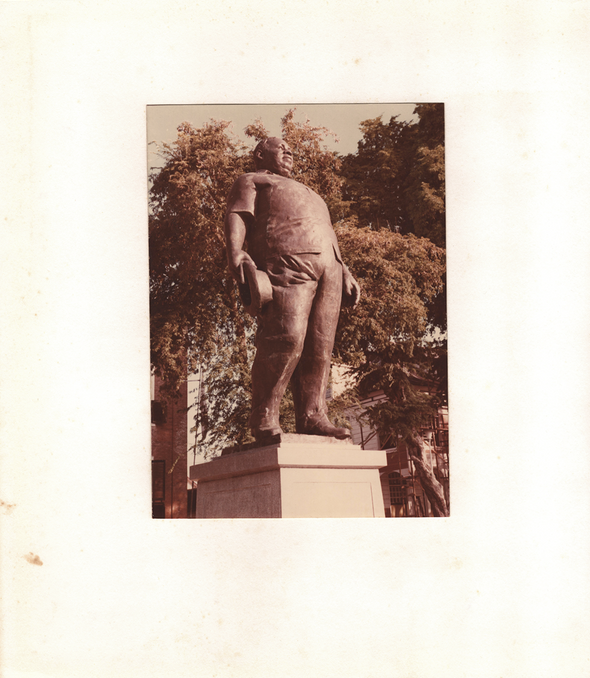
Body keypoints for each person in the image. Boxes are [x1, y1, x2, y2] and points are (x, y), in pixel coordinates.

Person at [225, 137, 360, 441]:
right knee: (286, 337)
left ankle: (313, 415)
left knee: (320, 347)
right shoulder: (252, 180)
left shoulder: (312, 193)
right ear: (261, 153)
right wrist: (235, 251)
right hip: (286, 259)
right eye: (281, 147)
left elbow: (328, 233)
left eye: (290, 148)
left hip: (329, 267)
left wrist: (345, 270)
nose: (289, 151)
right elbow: (237, 214)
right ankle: (264, 414)